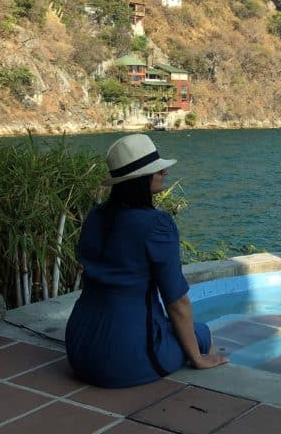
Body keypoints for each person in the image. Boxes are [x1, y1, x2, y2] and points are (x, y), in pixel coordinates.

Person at [65, 134, 226, 387]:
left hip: (79, 346)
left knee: (174, 329)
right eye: (156, 169)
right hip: (125, 355)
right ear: (141, 179)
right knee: (201, 333)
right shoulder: (156, 225)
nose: (164, 172)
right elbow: (177, 302)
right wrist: (197, 358)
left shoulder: (95, 217)